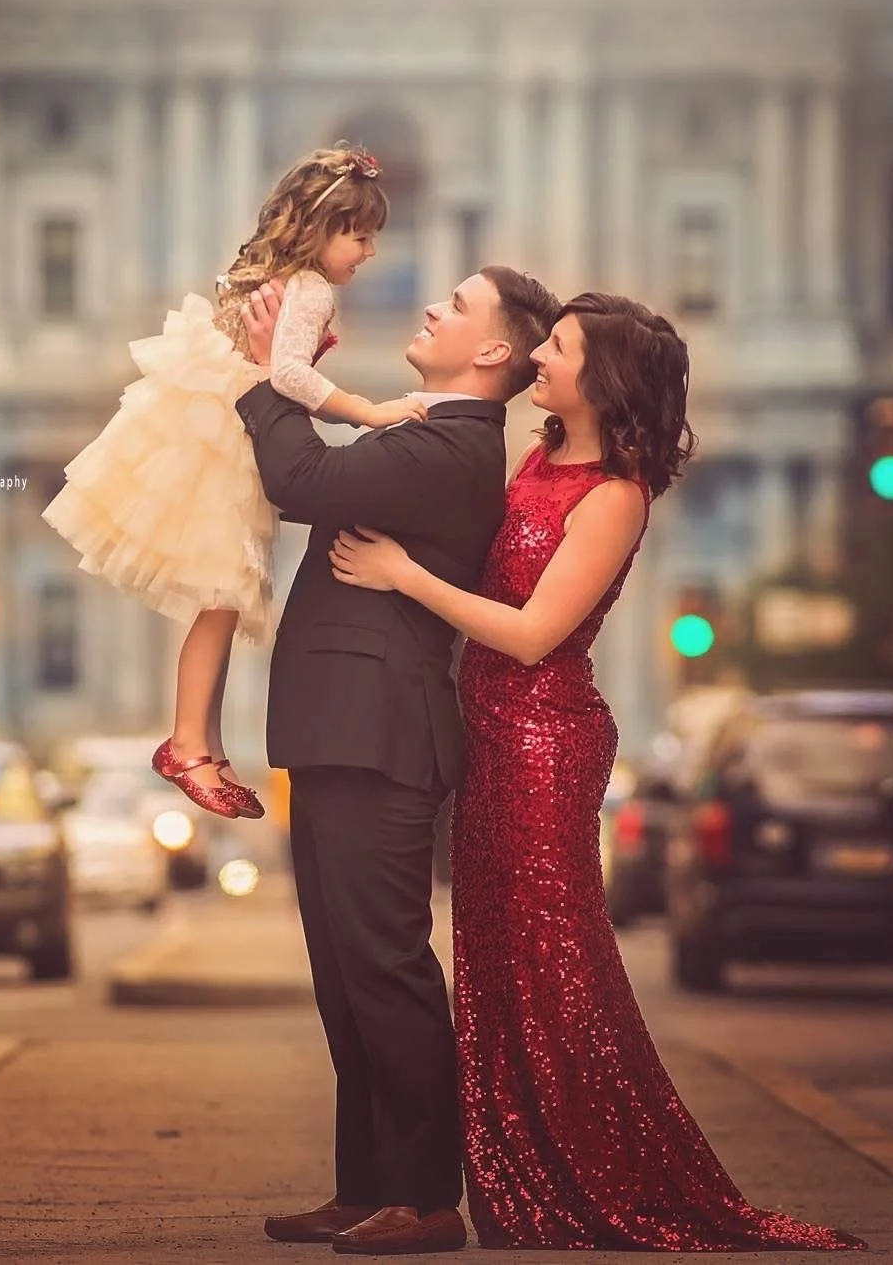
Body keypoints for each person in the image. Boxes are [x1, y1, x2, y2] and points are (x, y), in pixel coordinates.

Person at [328, 293, 864, 1252]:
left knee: (557, 964)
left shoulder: (615, 495)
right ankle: (516, 1175)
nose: (539, 354)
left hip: (544, 739)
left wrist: (404, 575)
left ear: (604, 378)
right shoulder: (536, 458)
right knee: (497, 963)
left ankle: (596, 1172)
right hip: (490, 737)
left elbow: (536, 636)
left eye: (560, 347)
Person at [235, 266, 564, 1256]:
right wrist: (296, 382)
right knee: (344, 976)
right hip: (343, 730)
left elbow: (302, 482)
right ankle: (364, 1187)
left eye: (456, 306)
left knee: (385, 969)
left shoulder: (452, 445)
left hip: (380, 739)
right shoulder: (426, 431)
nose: (431, 308)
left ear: (494, 351)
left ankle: (423, 1200)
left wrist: (267, 373)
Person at [43, 144, 425, 820]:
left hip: (212, 433)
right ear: (324, 227)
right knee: (220, 598)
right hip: (227, 443)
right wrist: (370, 410)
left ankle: (205, 746)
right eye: (360, 235)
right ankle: (189, 744)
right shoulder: (309, 289)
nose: (369, 252)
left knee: (219, 599)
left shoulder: (277, 276)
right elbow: (290, 378)